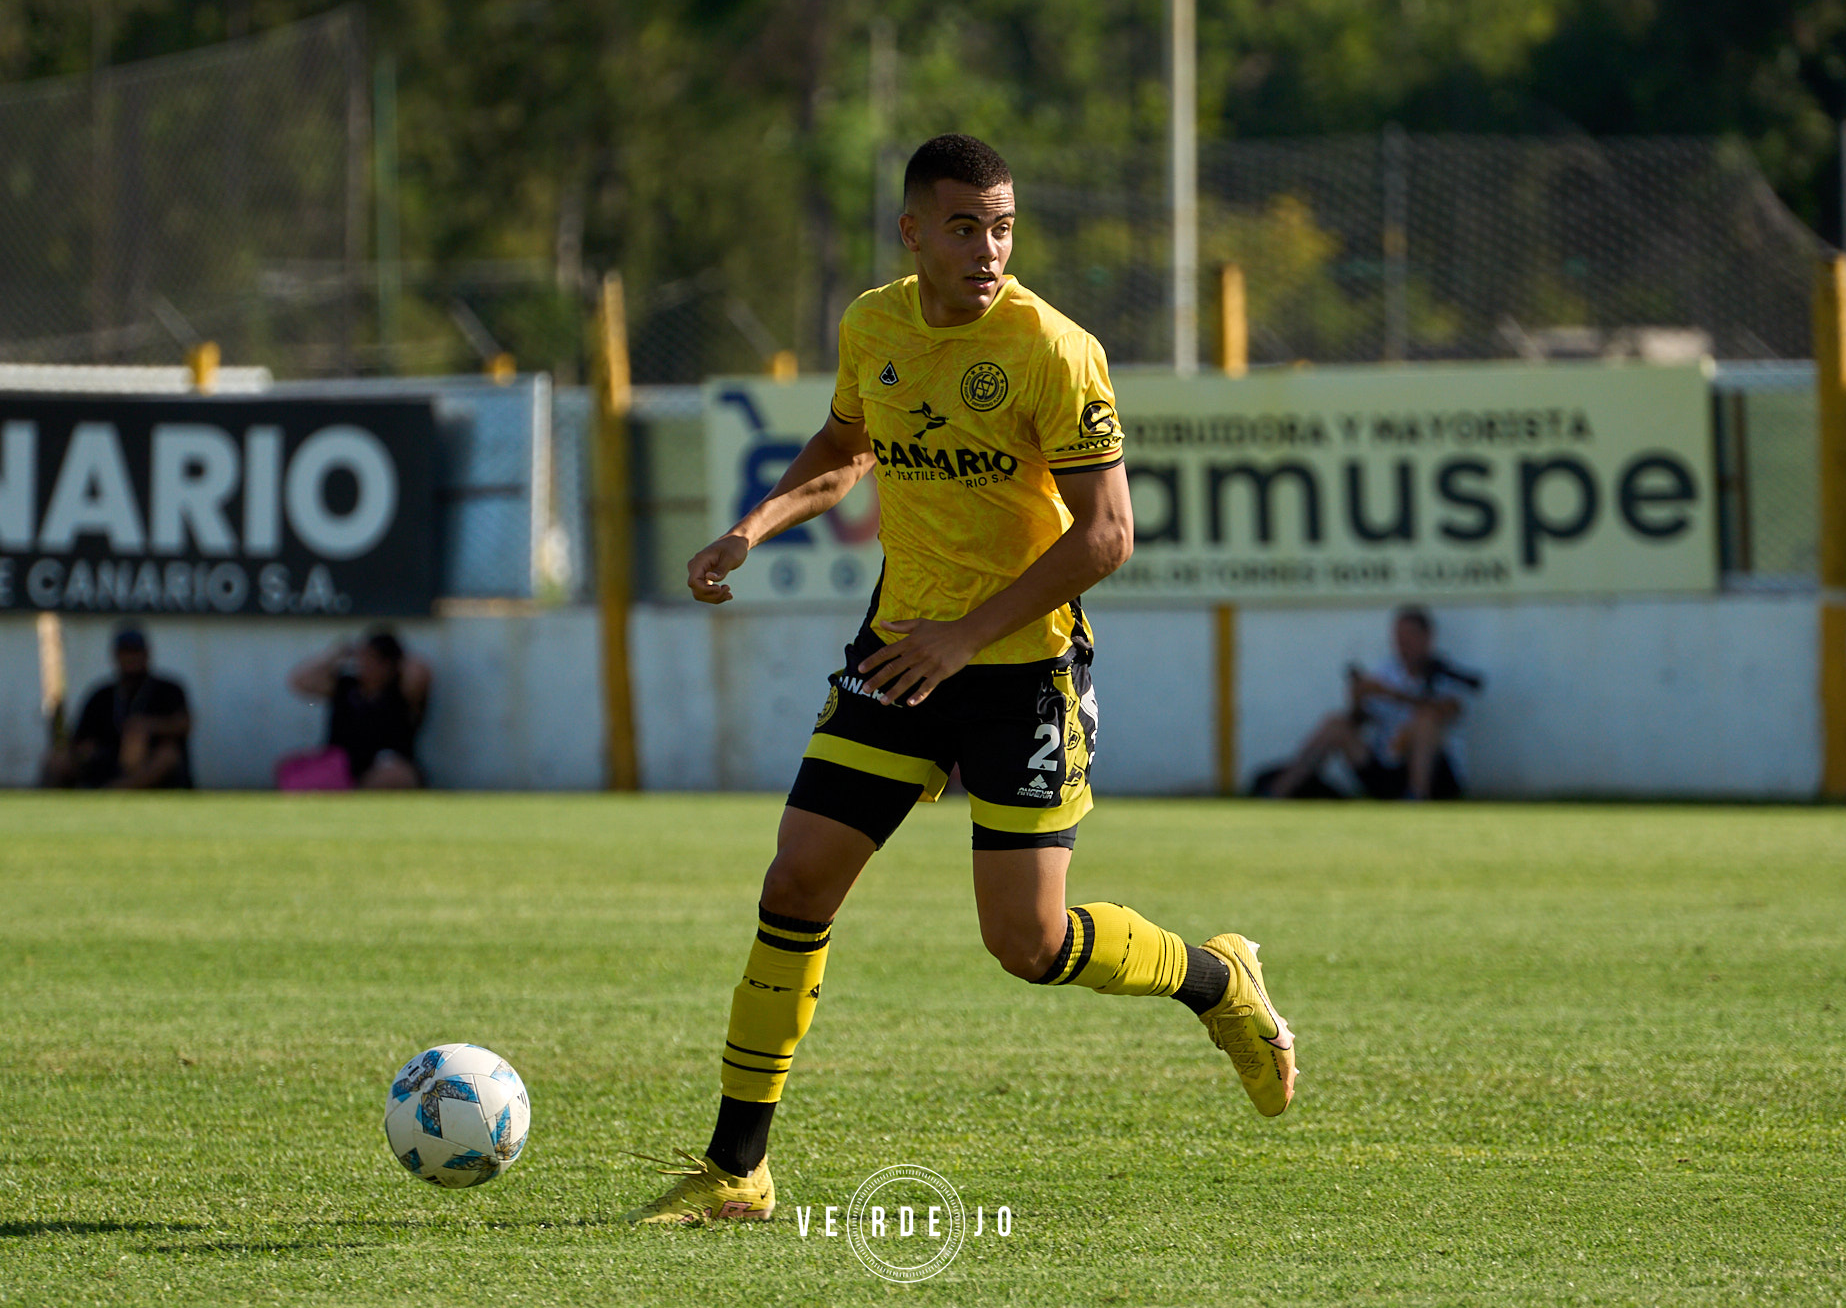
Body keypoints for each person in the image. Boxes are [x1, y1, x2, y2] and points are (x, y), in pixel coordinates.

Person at [627, 134, 1296, 1227]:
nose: (987, 249)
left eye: (1002, 227)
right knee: (796, 880)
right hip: (897, 652)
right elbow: (848, 446)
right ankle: (735, 1170)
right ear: (912, 234)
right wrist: (751, 526)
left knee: (1025, 947)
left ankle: (1216, 980)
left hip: (1023, 671)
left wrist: (964, 637)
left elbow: (1107, 536)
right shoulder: (872, 324)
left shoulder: (1053, 350)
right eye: (963, 227)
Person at [1264, 605, 1482, 800]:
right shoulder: (1385, 671)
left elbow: (1445, 710)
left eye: (1410, 637)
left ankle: (1417, 796)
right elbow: (1357, 721)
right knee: (1335, 724)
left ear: (1428, 638)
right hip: (1388, 768)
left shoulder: (1446, 673)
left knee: (1424, 722)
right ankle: (1278, 792)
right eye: (1398, 637)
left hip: (1436, 775)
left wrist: (1393, 694)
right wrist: (1359, 698)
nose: (1403, 644)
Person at [42, 624, 194, 789]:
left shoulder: (168, 689)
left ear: (147, 654)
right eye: (125, 652)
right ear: (115, 655)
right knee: (58, 759)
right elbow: (80, 738)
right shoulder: (102, 695)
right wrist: (84, 750)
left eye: (135, 652)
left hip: (151, 763)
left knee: (166, 755)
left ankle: (118, 789)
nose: (131, 658)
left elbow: (184, 724)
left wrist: (146, 726)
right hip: (108, 761)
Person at [286, 629, 432, 788]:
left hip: (383, 768)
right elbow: (299, 681)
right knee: (295, 769)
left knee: (399, 775)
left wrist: (399, 656)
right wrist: (334, 654)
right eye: (362, 657)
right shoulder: (345, 686)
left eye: (372, 658)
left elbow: (420, 676)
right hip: (341, 765)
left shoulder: (400, 692)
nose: (363, 664)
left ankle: (353, 790)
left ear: (389, 664)